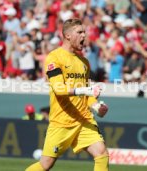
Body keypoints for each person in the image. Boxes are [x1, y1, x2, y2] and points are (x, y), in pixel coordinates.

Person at [25, 18, 109, 171]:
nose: (84, 35)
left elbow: (86, 95)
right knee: (45, 164)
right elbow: (58, 88)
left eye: (84, 32)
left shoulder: (84, 62)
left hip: (83, 118)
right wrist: (85, 90)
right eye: (80, 32)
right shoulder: (54, 57)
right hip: (62, 121)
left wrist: (96, 106)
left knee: (101, 153)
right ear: (68, 35)